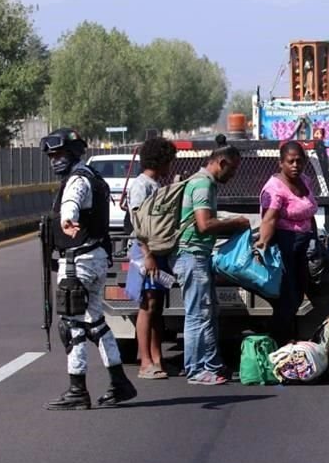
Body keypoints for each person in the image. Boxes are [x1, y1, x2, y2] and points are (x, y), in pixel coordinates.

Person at [41, 128, 137, 410]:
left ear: (72, 154)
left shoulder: (78, 181)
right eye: (52, 156)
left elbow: (72, 203)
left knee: (72, 325)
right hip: (93, 257)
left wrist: (67, 220)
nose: (54, 161)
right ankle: (120, 383)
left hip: (78, 262)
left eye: (59, 155)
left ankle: (77, 389)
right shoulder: (93, 177)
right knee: (95, 322)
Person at [173, 136, 251, 385]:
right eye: (234, 168)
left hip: (198, 255)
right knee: (197, 315)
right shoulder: (203, 185)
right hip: (191, 256)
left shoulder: (203, 183)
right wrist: (236, 223)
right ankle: (195, 370)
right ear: (222, 162)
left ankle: (210, 364)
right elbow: (204, 225)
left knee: (207, 313)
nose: (234, 174)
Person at [256, 141, 318, 342]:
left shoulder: (305, 181)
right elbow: (269, 219)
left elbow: (309, 213)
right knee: (288, 298)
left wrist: (315, 240)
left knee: (299, 295)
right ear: (280, 163)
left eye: (299, 161)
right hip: (285, 246)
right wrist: (262, 244)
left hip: (304, 246)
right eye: (290, 161)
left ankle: (287, 339)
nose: (295, 165)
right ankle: (279, 342)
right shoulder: (274, 188)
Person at [126, 136, 177, 379]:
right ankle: (145, 361)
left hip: (159, 253)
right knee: (147, 306)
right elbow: (139, 224)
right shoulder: (141, 185)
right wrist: (147, 256)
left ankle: (158, 358)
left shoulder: (156, 185)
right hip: (146, 253)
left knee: (157, 307)